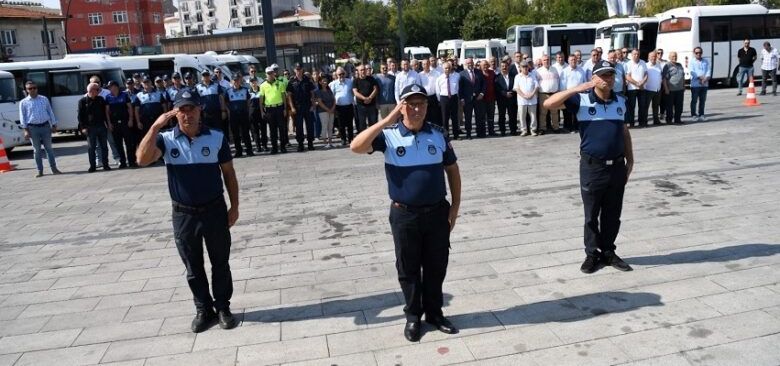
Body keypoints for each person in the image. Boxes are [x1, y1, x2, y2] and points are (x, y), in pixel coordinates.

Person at [350, 83, 461, 342]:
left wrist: (454, 208)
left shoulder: (438, 134)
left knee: (436, 266)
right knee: (408, 267)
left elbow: (453, 171)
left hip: (436, 213)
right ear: (402, 107)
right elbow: (355, 146)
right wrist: (386, 120)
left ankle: (434, 313)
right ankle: (413, 316)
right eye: (410, 104)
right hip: (405, 215)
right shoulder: (388, 136)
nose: (416, 109)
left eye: (421, 103)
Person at [136, 90, 239, 333]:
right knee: (193, 266)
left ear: (200, 109)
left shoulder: (216, 137)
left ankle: (223, 307)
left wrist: (234, 207)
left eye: (191, 108)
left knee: (220, 261)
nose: (187, 114)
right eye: (182, 109)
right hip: (184, 214)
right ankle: (203, 309)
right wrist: (154, 127)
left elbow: (229, 174)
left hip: (214, 210)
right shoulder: (165, 139)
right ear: (175, 112)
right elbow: (141, 159)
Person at [543, 60, 634, 274]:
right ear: (593, 79)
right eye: (602, 75)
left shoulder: (621, 101)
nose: (607, 79)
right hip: (593, 167)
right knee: (591, 214)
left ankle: (609, 252)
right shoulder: (581, 100)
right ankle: (592, 254)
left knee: (613, 213)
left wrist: (630, 160)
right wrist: (575, 88)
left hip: (617, 167)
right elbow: (549, 104)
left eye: (610, 75)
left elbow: (624, 131)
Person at [19, 80, 61, 177]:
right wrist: (25, 130)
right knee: (37, 150)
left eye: (34, 88)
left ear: (37, 89)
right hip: (33, 128)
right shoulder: (23, 102)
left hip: (45, 126)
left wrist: (54, 124)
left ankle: (54, 169)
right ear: (26, 90)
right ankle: (40, 170)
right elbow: (23, 117)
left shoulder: (44, 99)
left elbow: (50, 111)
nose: (33, 90)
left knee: (49, 148)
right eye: (30, 88)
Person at [78, 83, 111, 172]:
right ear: (91, 90)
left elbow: (105, 113)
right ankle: (92, 166)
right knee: (91, 148)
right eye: (97, 90)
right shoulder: (82, 101)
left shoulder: (100, 99)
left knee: (104, 146)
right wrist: (83, 127)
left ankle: (106, 164)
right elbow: (80, 116)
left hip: (101, 126)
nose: (98, 91)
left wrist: (108, 124)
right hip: (90, 128)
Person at [287, 63, 317, 151]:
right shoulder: (291, 81)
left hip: (308, 106)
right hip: (297, 107)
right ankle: (300, 144)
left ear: (302, 69)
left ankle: (310, 143)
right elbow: (289, 96)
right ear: (294, 70)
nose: (298, 71)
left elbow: (312, 93)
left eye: (300, 69)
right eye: (297, 69)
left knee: (310, 125)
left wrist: (313, 104)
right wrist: (292, 107)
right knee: (299, 126)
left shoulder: (307, 79)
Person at [105, 80, 136, 168]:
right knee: (118, 144)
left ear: (116, 86)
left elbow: (130, 108)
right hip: (115, 124)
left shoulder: (124, 95)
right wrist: (109, 123)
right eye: (110, 87)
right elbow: (107, 111)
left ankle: (131, 161)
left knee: (129, 143)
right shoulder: (108, 97)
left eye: (112, 86)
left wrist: (130, 119)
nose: (111, 88)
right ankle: (122, 162)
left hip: (125, 122)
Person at [258, 66, 288, 154]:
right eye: (268, 73)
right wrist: (262, 111)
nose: (270, 74)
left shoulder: (280, 83)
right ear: (266, 74)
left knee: (281, 128)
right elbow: (261, 99)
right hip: (269, 109)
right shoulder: (262, 85)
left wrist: (285, 108)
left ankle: (282, 147)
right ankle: (274, 147)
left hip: (279, 107)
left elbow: (284, 97)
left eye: (271, 72)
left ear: (274, 73)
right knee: (272, 129)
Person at [226, 76, 254, 157]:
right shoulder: (228, 91)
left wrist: (246, 109)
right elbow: (226, 101)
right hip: (234, 115)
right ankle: (239, 151)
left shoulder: (245, 90)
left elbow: (248, 100)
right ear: (232, 82)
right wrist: (229, 110)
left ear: (240, 81)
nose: (236, 82)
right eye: (234, 81)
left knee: (245, 133)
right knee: (236, 134)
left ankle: (249, 150)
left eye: (237, 80)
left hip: (243, 114)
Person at [459, 58, 485, 139]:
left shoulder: (479, 72)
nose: (470, 64)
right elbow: (460, 88)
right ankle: (469, 133)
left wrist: (482, 93)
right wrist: (462, 99)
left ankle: (479, 132)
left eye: (471, 62)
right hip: (467, 99)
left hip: (478, 98)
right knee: (468, 117)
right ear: (465, 64)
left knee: (479, 116)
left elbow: (484, 84)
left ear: (473, 63)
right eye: (468, 63)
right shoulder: (462, 74)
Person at [559, 54, 587, 132]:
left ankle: (576, 127)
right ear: (568, 61)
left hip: (579, 94)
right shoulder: (565, 71)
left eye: (574, 59)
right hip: (569, 94)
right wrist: (564, 94)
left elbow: (584, 81)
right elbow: (562, 84)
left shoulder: (581, 70)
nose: (573, 61)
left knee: (578, 111)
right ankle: (568, 127)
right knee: (568, 112)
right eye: (571, 60)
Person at [329, 67, 354, 146]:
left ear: (345, 74)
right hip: (339, 107)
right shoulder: (333, 84)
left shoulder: (350, 82)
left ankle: (351, 139)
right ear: (337, 75)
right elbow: (331, 95)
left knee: (350, 124)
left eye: (343, 74)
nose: (341, 76)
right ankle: (343, 139)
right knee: (341, 125)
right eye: (339, 74)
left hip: (349, 106)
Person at [536, 55, 561, 133]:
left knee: (555, 112)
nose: (546, 61)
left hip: (554, 94)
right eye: (544, 60)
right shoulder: (538, 71)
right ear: (542, 61)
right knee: (543, 112)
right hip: (543, 94)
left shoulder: (554, 69)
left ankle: (556, 127)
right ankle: (542, 128)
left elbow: (558, 80)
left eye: (547, 60)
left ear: (550, 60)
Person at [513, 61, 539, 136]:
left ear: (528, 67)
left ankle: (533, 130)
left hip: (532, 99)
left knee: (533, 116)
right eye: (523, 67)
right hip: (522, 100)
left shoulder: (532, 75)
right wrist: (524, 95)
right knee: (522, 116)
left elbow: (536, 86)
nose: (525, 68)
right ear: (520, 68)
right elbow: (516, 88)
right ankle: (524, 130)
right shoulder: (517, 76)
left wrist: (532, 94)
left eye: (526, 66)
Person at [435, 61, 460, 138]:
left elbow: (457, 88)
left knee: (454, 117)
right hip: (444, 98)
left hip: (454, 98)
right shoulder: (439, 78)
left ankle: (456, 134)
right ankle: (446, 135)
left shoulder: (455, 77)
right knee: (445, 118)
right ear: (443, 69)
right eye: (446, 68)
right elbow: (437, 90)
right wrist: (440, 100)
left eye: (449, 68)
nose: (447, 69)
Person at [353, 64, 380, 132]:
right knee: (362, 124)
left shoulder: (371, 79)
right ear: (358, 71)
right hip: (361, 106)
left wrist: (370, 98)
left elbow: (376, 89)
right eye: (361, 70)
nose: (363, 71)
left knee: (373, 123)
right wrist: (364, 98)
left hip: (371, 105)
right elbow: (355, 92)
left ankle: (373, 139)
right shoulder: (355, 80)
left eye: (364, 70)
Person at [624, 49, 648, 127]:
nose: (636, 55)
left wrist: (642, 83)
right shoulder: (628, 64)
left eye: (637, 54)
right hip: (632, 88)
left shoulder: (643, 63)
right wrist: (637, 83)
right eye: (634, 54)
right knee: (632, 107)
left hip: (642, 88)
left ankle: (641, 122)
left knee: (642, 106)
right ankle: (631, 123)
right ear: (631, 55)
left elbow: (646, 74)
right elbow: (627, 76)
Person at [662, 52, 685, 125]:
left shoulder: (680, 65)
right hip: (671, 90)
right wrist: (666, 89)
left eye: (675, 56)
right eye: (672, 56)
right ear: (669, 57)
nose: (674, 57)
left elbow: (683, 76)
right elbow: (664, 78)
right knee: (669, 106)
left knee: (679, 105)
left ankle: (677, 119)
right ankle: (669, 120)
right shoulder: (667, 66)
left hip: (680, 89)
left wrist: (684, 85)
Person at [494, 61, 516, 136]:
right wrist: (505, 93)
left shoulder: (513, 76)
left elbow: (515, 86)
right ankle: (502, 130)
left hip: (512, 98)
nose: (504, 67)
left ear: (508, 67)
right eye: (502, 66)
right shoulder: (497, 77)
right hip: (502, 99)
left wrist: (511, 93)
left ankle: (513, 130)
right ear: (500, 67)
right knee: (502, 115)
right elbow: (497, 88)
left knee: (512, 115)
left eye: (505, 66)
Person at [689, 47, 711, 122]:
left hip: (704, 84)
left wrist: (706, 79)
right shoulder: (692, 61)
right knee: (694, 100)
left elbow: (708, 70)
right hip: (695, 84)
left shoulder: (705, 61)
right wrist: (700, 78)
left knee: (702, 100)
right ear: (694, 53)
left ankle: (701, 114)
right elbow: (692, 72)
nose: (698, 54)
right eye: (697, 53)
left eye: (700, 52)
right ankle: (693, 115)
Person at [419, 59, 441, 129]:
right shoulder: (419, 75)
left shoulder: (436, 74)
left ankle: (436, 131)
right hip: (424, 97)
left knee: (435, 116)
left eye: (428, 63)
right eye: (424, 64)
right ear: (422, 65)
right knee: (425, 115)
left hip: (434, 97)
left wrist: (438, 98)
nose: (426, 65)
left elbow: (438, 86)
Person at [315, 74, 336, 148]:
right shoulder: (318, 91)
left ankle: (330, 142)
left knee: (330, 126)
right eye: (323, 81)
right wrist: (328, 109)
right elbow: (320, 102)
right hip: (323, 111)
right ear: (320, 82)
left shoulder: (329, 90)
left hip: (331, 110)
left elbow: (334, 100)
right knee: (324, 125)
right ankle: (325, 142)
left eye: (326, 81)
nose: (325, 82)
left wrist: (332, 108)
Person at [645, 51, 663, 125]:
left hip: (657, 89)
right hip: (648, 89)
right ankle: (644, 121)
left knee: (656, 106)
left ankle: (656, 120)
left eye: (655, 56)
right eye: (652, 56)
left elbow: (661, 75)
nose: (654, 58)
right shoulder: (646, 65)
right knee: (646, 107)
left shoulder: (659, 65)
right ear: (648, 57)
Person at [479, 60, 496, 137]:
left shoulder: (492, 73)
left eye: (486, 64)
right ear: (480, 66)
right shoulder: (478, 73)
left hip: (491, 98)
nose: (485, 66)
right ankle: (482, 132)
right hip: (482, 99)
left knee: (491, 116)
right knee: (482, 116)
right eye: (483, 65)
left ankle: (491, 131)